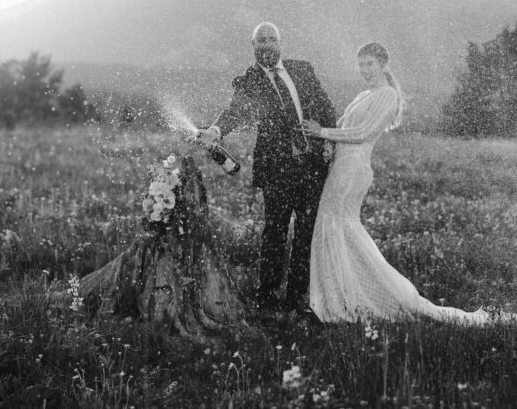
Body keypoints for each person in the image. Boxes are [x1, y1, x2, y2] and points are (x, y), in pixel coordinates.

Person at [301, 42, 494, 325]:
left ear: (383, 64)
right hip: (341, 165)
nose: (364, 70)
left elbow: (364, 132)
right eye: (361, 65)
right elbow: (344, 126)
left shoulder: (388, 95)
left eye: (370, 64)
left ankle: (355, 298)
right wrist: (329, 141)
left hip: (353, 168)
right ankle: (340, 295)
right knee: (334, 228)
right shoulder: (364, 94)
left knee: (337, 227)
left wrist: (322, 132)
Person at [200, 22, 336, 316]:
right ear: (253, 46)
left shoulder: (302, 70)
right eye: (261, 40)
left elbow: (325, 106)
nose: (267, 44)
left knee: (306, 232)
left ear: (280, 43)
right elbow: (235, 111)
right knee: (274, 231)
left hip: (311, 166)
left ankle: (298, 297)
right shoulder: (250, 80)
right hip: (277, 170)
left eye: (272, 39)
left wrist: (328, 136)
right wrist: (215, 131)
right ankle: (267, 296)